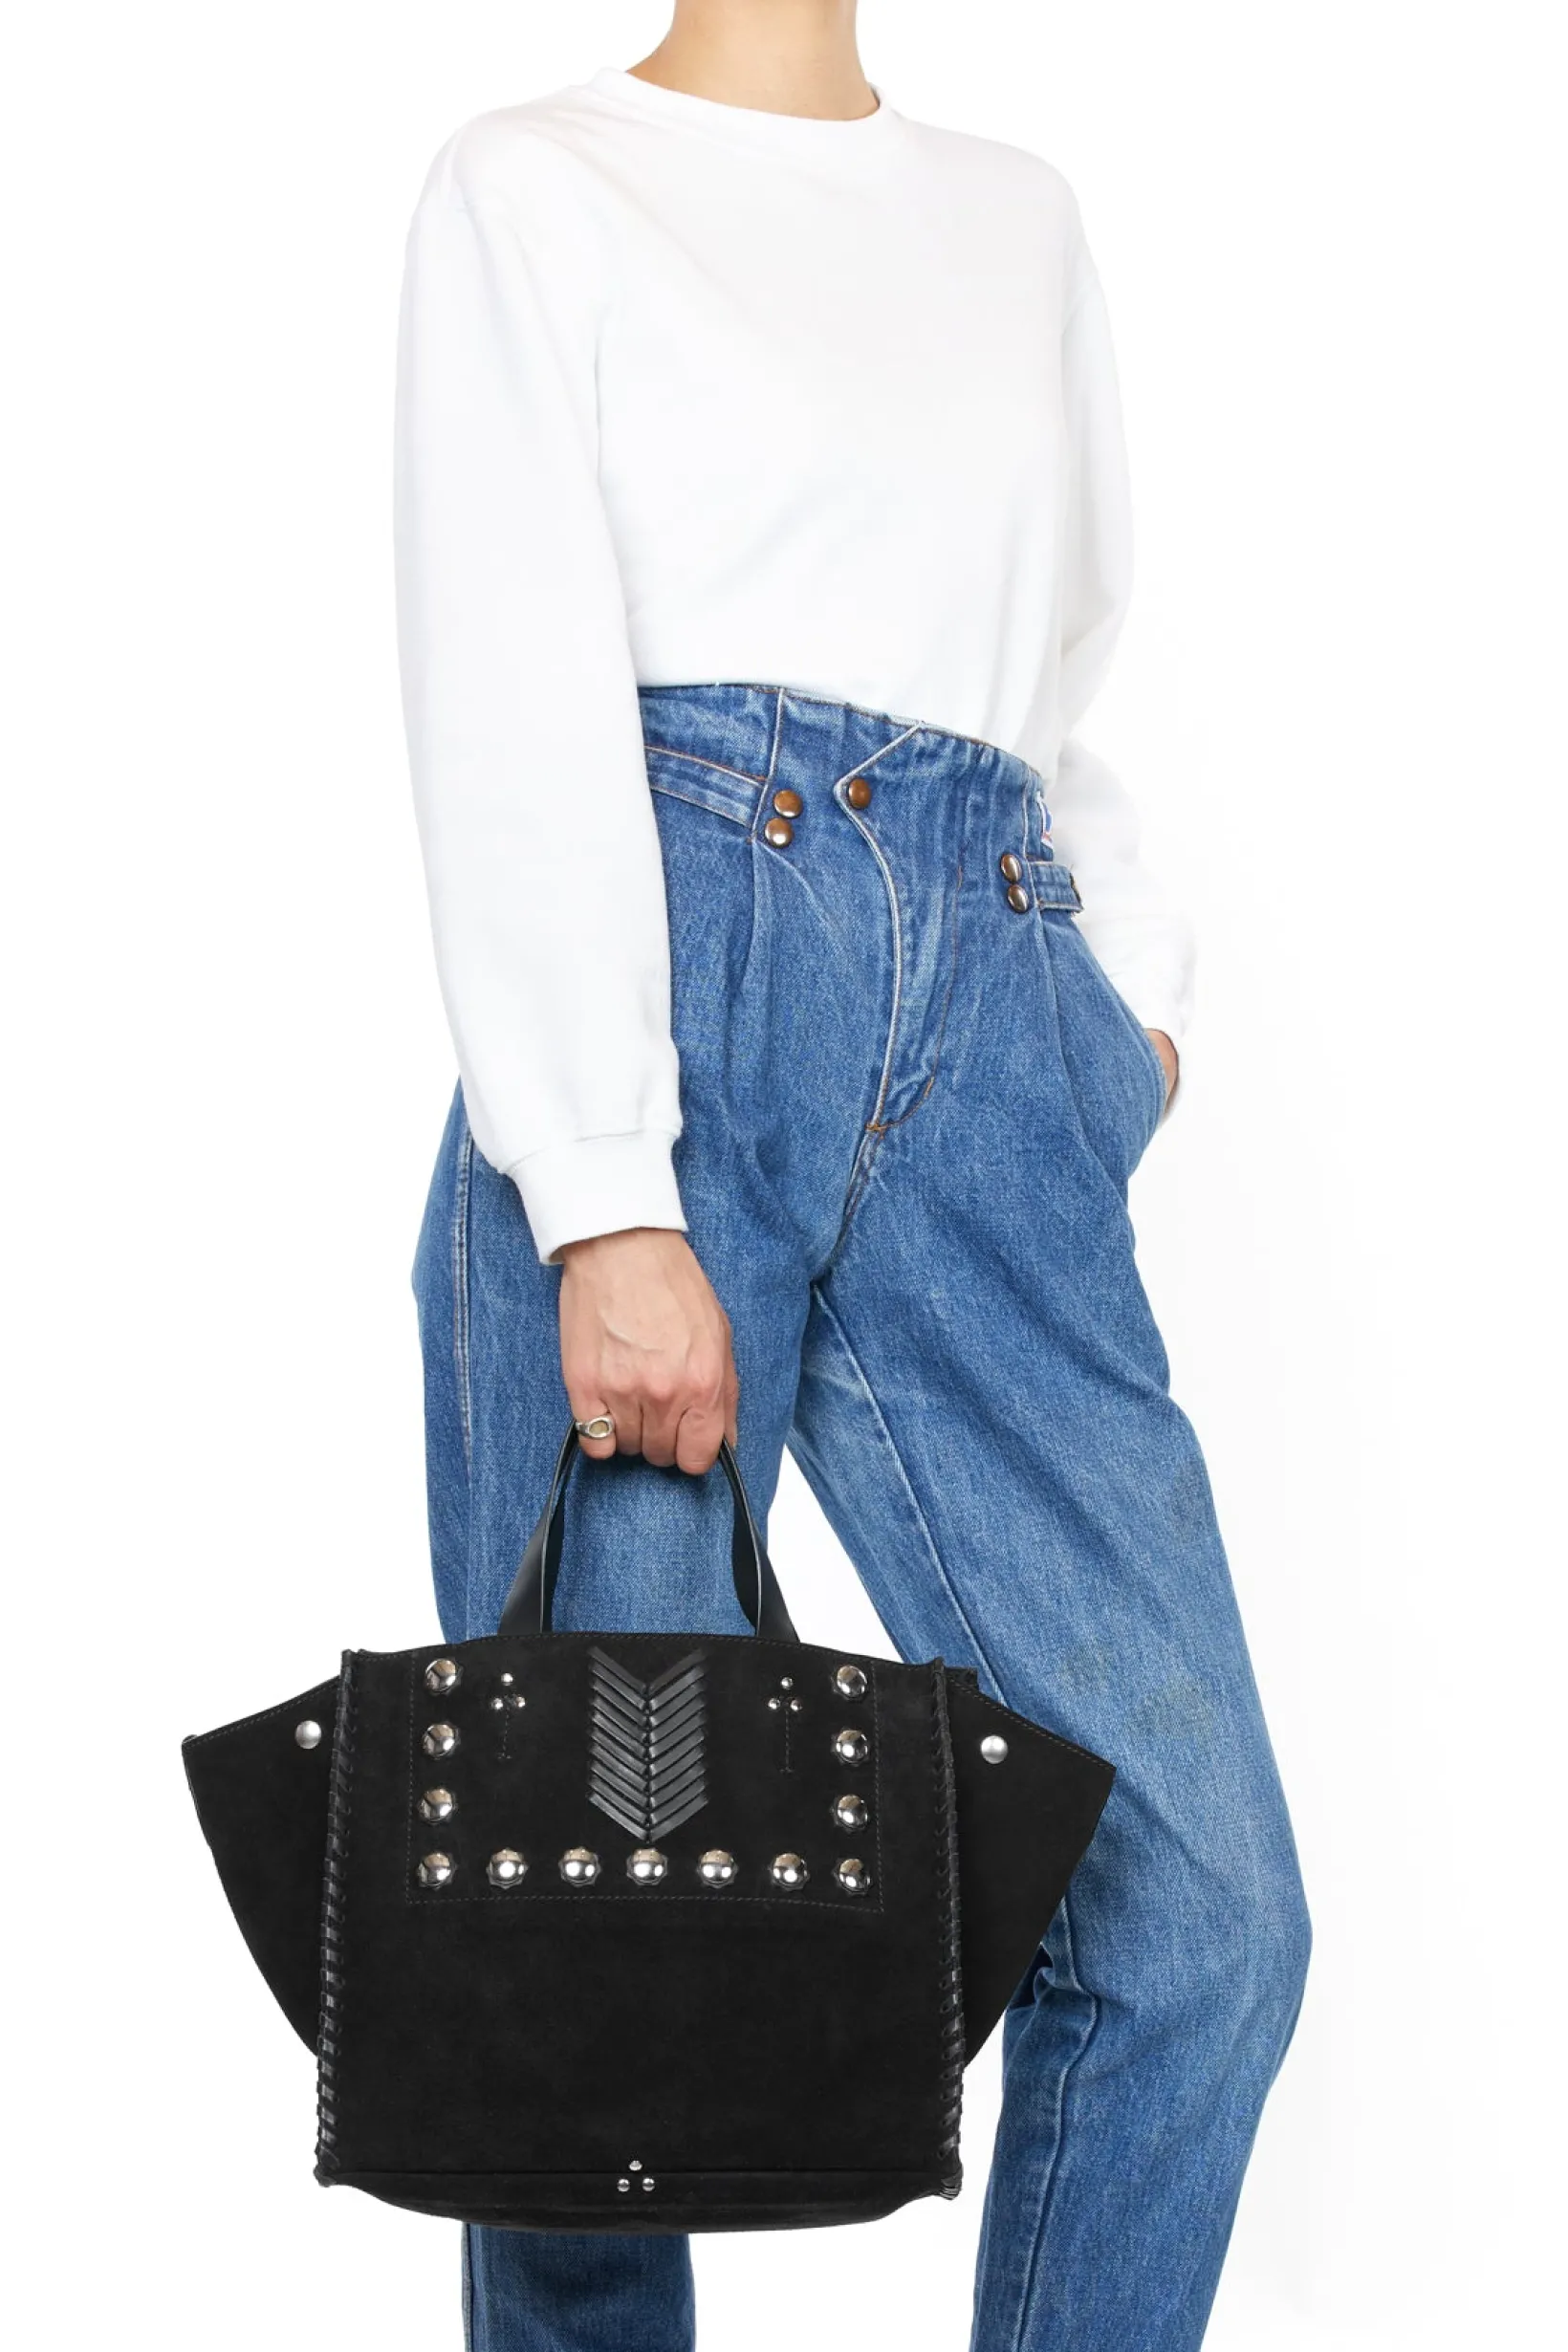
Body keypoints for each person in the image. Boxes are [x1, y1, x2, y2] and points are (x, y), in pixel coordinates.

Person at [396, 4, 1311, 2346]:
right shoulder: (536, 182)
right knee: (591, 1954)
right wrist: (602, 1187)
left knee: (1204, 1915)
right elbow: (506, 678)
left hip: (995, 1027)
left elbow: (1057, 684)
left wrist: (1121, 1011)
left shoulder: (1018, 222)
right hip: (668, 1023)